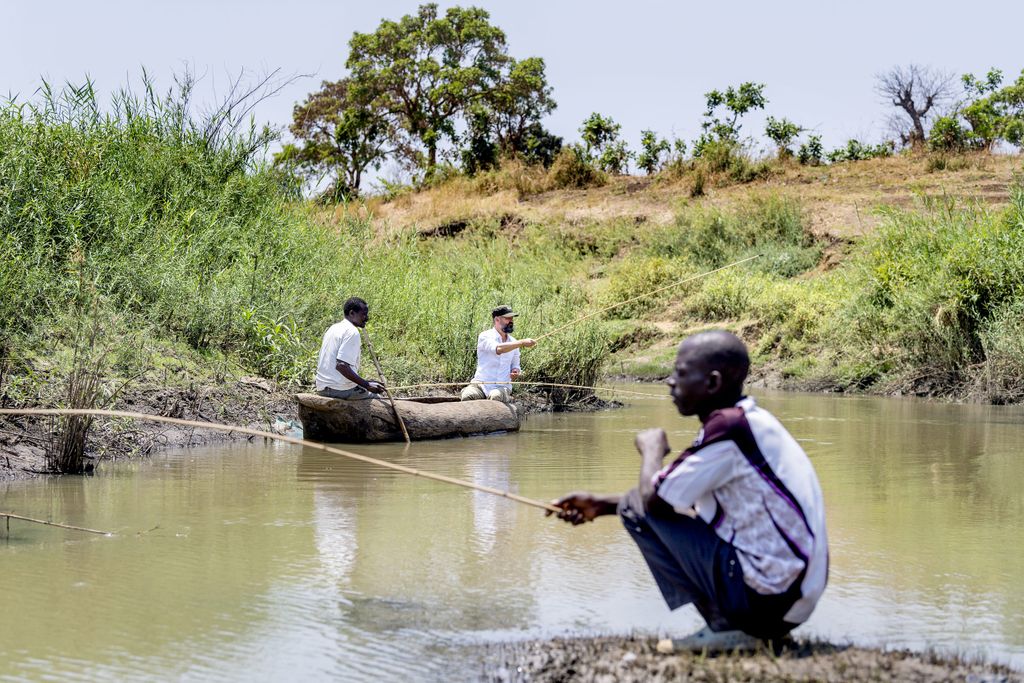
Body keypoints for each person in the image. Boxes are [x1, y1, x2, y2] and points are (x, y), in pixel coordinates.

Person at [550, 330, 828, 652]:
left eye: (680, 373)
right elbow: (675, 496)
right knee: (633, 503)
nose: (670, 382)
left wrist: (652, 450)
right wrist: (602, 506)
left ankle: (725, 628)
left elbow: (653, 502)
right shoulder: (749, 421)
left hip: (771, 598)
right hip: (791, 601)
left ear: (712, 383)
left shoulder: (726, 429)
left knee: (637, 507)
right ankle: (752, 627)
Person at [461, 305, 537, 402]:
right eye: (507, 318)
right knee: (468, 396)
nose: (511, 321)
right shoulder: (485, 336)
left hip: (502, 387)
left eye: (512, 318)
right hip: (480, 385)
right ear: (497, 319)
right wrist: (522, 343)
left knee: (496, 396)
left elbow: (516, 366)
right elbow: (498, 349)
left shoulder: (514, 342)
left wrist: (515, 371)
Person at [314, 297, 386, 400]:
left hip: (322, 387)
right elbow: (341, 366)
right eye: (363, 314)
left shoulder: (334, 327)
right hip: (338, 389)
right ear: (352, 313)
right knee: (379, 399)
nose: (366, 318)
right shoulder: (352, 332)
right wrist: (366, 385)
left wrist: (366, 382)